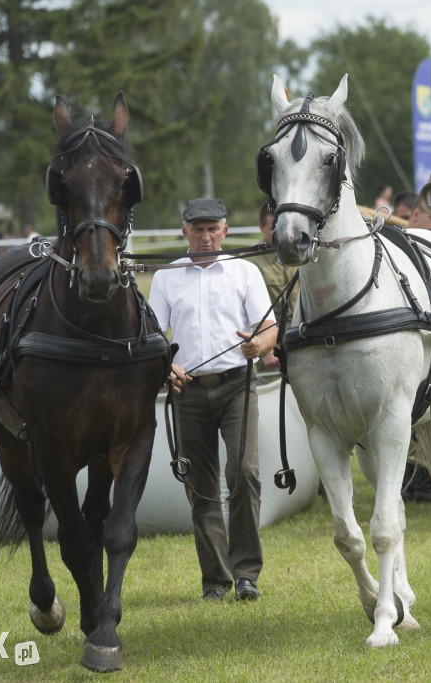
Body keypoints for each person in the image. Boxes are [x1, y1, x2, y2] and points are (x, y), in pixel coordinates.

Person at [148, 197, 277, 602]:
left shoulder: (245, 272)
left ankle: (246, 574)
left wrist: (259, 343)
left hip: (237, 384)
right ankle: (215, 581)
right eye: (198, 229)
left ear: (225, 230)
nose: (206, 236)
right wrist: (164, 367)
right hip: (187, 392)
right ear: (184, 231)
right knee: (199, 486)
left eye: (213, 228)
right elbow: (153, 337)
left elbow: (269, 327)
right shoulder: (167, 277)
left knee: (243, 473)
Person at [248, 202, 298, 371]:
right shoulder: (249, 264)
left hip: (308, 343)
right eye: (273, 227)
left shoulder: (304, 254)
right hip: (273, 354)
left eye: (283, 226)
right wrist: (265, 352)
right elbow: (243, 314)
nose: (280, 233)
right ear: (261, 227)